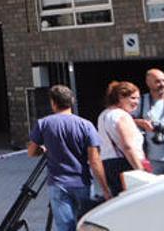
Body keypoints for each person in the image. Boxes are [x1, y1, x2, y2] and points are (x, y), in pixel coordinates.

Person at [28, 85, 111, 231]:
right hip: (83, 182)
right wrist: (105, 188)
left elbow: (31, 152)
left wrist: (43, 150)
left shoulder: (44, 124)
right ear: (72, 101)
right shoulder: (86, 125)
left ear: (53, 102)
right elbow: (94, 160)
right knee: (86, 225)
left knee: (65, 227)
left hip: (58, 183)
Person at [97, 81, 146, 197]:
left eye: (138, 98)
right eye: (133, 98)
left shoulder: (103, 115)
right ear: (120, 97)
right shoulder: (122, 115)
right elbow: (128, 146)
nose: (137, 102)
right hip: (126, 163)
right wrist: (140, 170)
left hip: (109, 164)